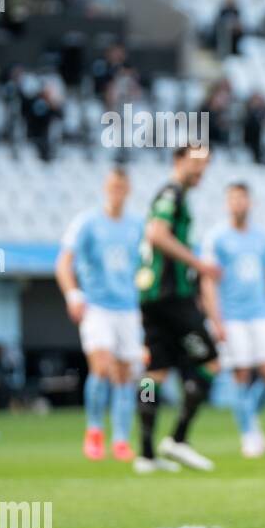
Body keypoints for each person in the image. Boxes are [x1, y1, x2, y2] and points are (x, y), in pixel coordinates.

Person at [136, 143, 222, 474]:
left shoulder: (172, 194)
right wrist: (198, 264)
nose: (201, 170)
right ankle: (178, 439)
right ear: (178, 160)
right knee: (210, 362)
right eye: (197, 162)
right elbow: (157, 235)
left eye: (206, 163)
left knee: (154, 373)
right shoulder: (171, 194)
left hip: (151, 297)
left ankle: (145, 453)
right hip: (172, 296)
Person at [55, 167, 144, 463]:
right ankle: (94, 430)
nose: (117, 191)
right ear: (106, 187)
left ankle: (120, 438)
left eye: (122, 186)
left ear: (128, 189)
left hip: (128, 308)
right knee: (101, 367)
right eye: (113, 185)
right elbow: (64, 263)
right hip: (98, 307)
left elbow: (145, 268)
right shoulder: (88, 222)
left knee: (125, 375)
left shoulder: (137, 226)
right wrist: (73, 294)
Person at [200, 183, 265, 459]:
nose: (238, 203)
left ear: (250, 203)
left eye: (242, 198)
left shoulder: (263, 238)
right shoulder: (216, 238)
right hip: (233, 316)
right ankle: (249, 433)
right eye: (233, 199)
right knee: (241, 374)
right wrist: (215, 319)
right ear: (227, 203)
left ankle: (249, 414)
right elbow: (208, 281)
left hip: (261, 313)